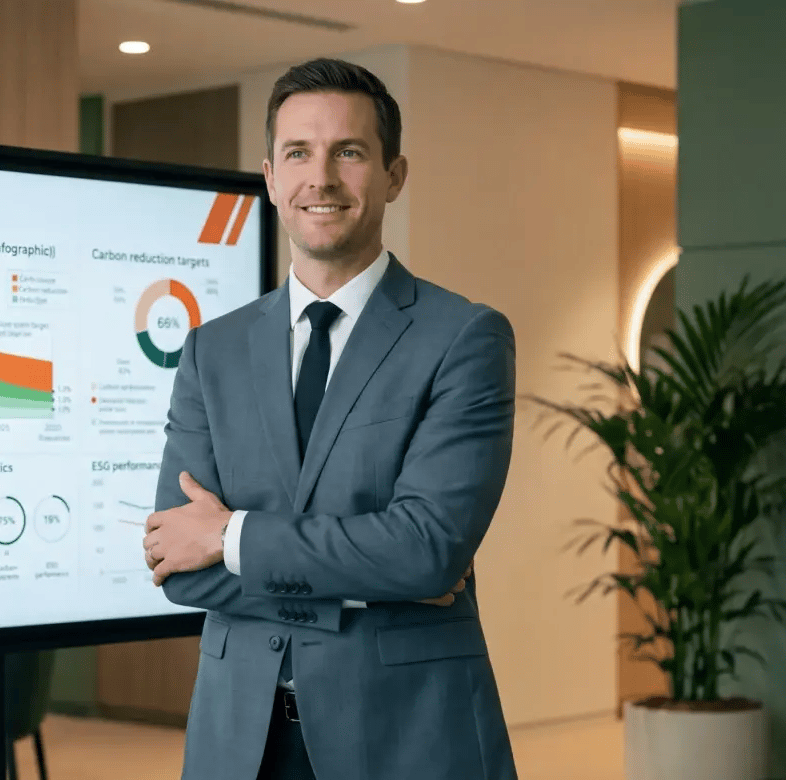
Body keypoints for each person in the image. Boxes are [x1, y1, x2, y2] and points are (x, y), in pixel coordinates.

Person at [143, 57, 519, 780]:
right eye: (298, 153)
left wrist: (230, 536)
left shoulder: (463, 337)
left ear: (393, 175)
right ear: (271, 177)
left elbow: (427, 550)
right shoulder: (211, 350)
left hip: (407, 733)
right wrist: (371, 579)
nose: (321, 178)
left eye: (348, 152)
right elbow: (175, 563)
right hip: (239, 741)